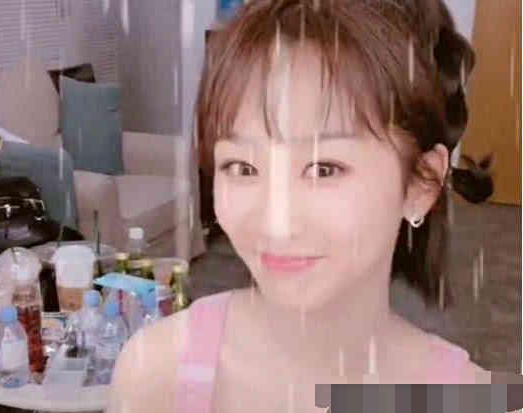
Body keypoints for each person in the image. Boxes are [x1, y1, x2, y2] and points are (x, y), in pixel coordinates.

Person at [107, 1, 495, 411]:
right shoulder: (155, 374)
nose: (276, 224)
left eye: (324, 169)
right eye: (242, 167)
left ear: (420, 183)